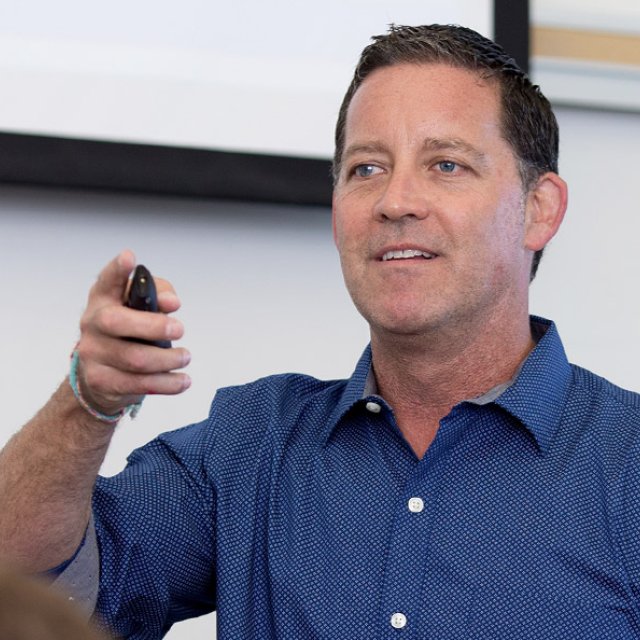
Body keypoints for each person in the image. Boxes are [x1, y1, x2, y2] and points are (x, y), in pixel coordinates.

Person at [1, 23, 639, 639]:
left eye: (446, 165)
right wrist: (89, 402)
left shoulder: (627, 463)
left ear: (539, 209)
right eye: (366, 169)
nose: (396, 201)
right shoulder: (251, 447)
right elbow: (27, 592)